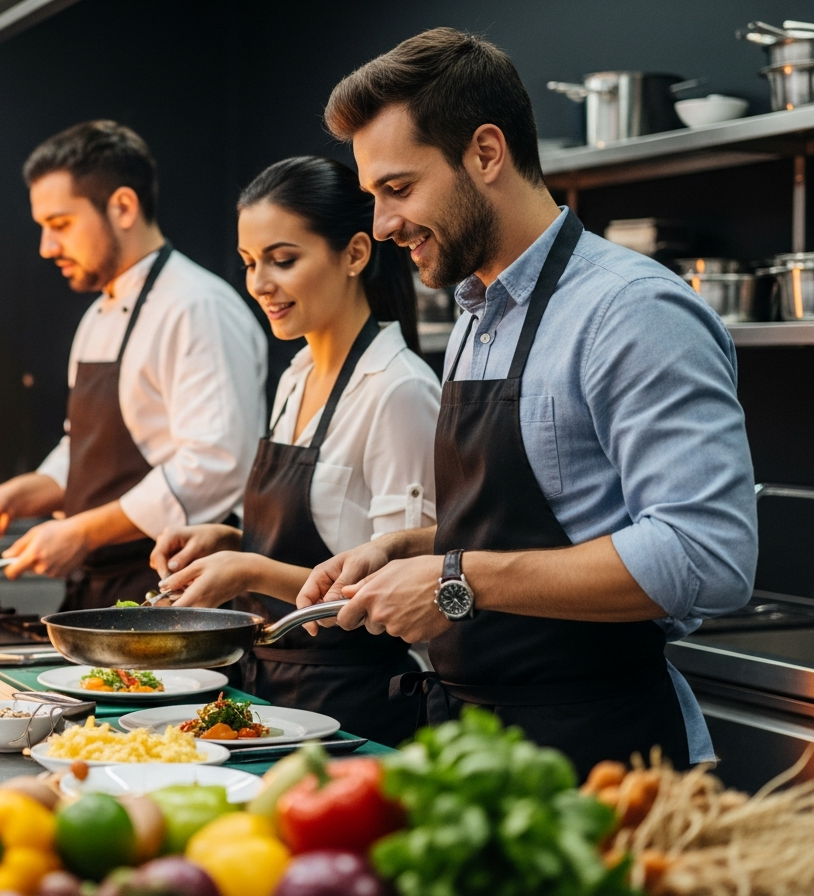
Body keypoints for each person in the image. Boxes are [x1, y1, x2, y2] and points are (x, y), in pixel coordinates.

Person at [297, 28, 758, 773]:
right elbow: (543, 523)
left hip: (606, 758)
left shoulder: (632, 310)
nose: (381, 226)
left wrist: (454, 580)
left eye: (398, 189)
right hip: (480, 745)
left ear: (486, 153)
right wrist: (403, 551)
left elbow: (706, 554)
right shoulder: (479, 311)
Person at [150, 156, 440, 746]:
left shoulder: (398, 390)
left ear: (356, 254)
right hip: (264, 696)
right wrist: (230, 541)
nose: (259, 283)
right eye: (251, 264)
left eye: (283, 260)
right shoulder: (296, 376)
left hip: (351, 711)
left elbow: (402, 596)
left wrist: (251, 570)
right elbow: (328, 532)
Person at [0, 121, 267, 610]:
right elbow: (85, 451)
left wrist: (81, 532)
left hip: (173, 592)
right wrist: (17, 496)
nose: (47, 247)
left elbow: (216, 466)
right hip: (100, 588)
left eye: (60, 225)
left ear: (122, 206)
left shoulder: (196, 307)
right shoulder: (98, 315)